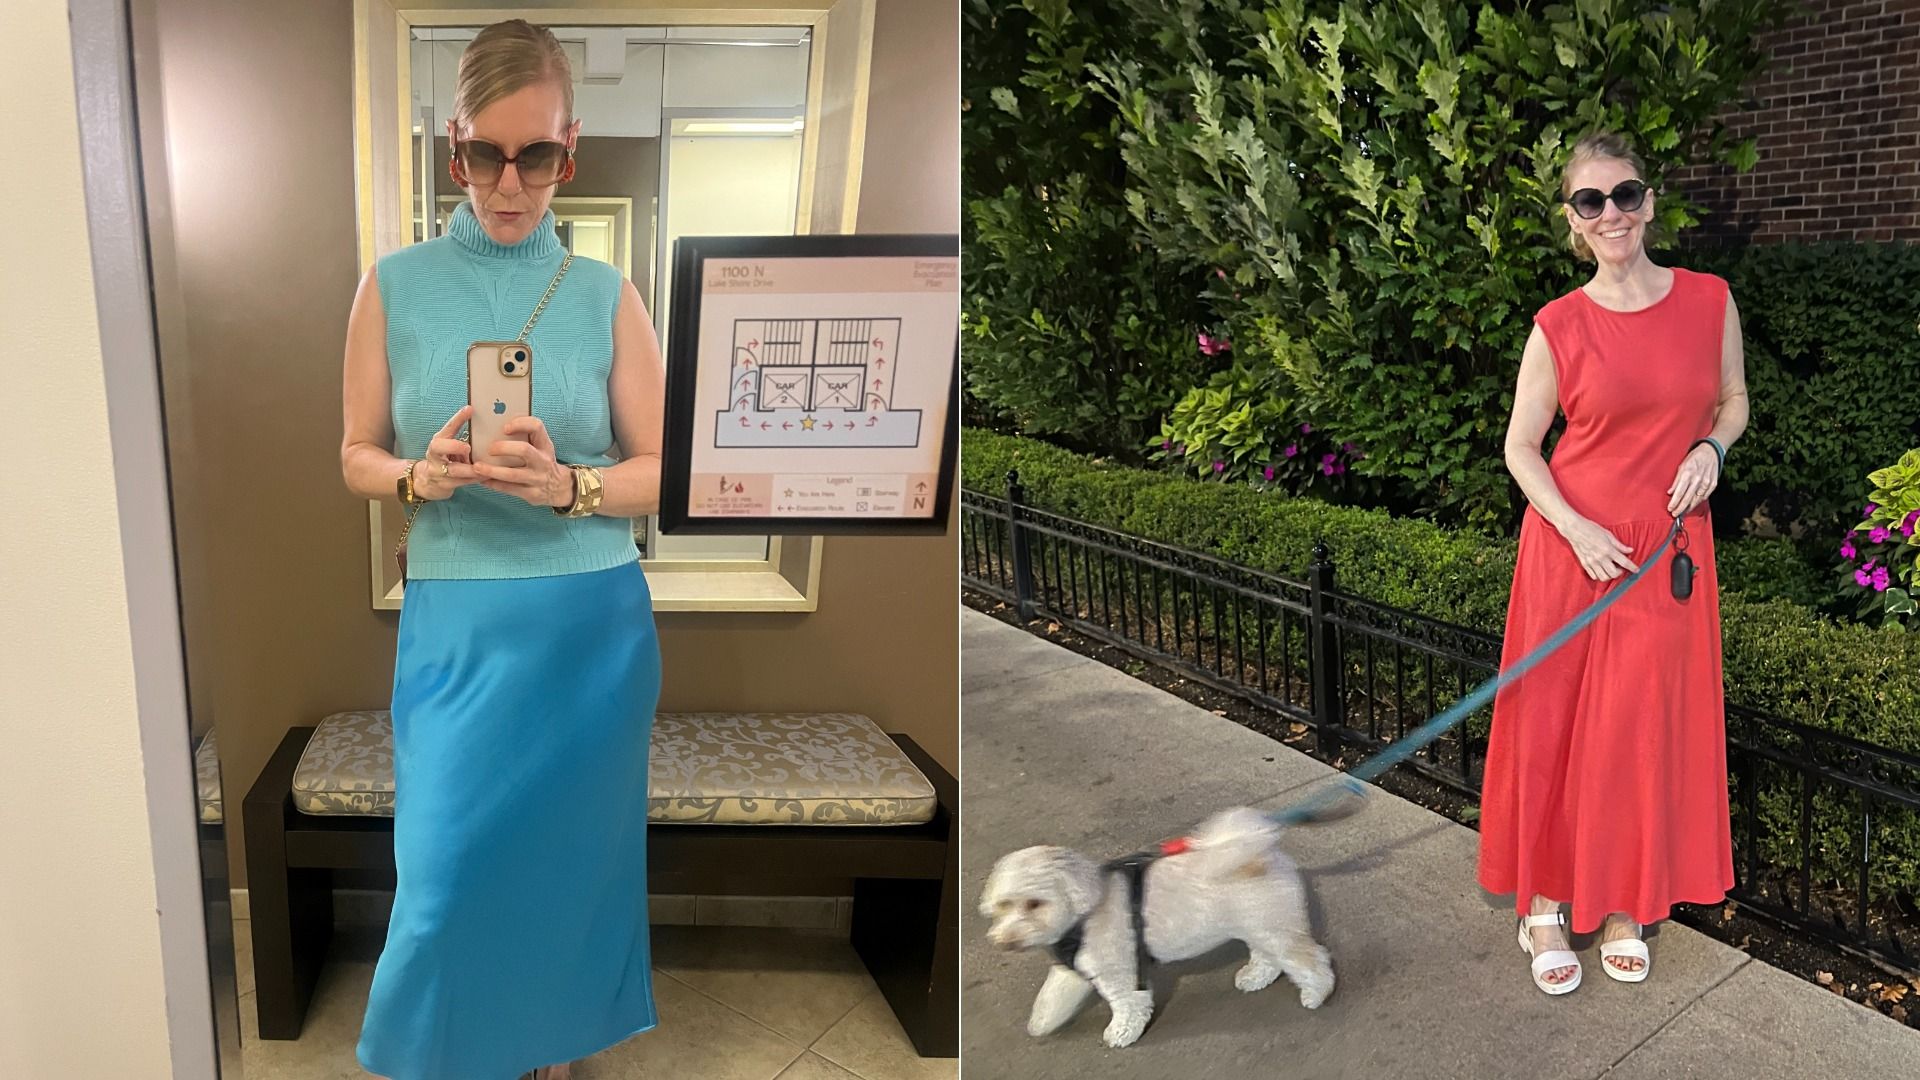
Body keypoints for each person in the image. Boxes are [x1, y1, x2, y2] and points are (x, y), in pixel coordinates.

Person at [338, 19, 666, 1078]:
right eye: (486, 153)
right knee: (442, 877)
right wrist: (416, 477)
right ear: (454, 146)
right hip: (458, 625)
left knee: (570, 872)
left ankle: (551, 1046)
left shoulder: (611, 296)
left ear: (572, 149)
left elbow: (667, 470)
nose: (510, 183)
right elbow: (353, 452)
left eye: (540, 157)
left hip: (589, 629)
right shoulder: (391, 285)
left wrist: (571, 485)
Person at [1476, 131, 1749, 996]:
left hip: (1669, 550)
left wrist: (1712, 446)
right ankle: (1546, 905)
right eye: (1590, 203)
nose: (1611, 215)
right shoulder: (1559, 325)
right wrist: (1575, 528)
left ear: (1649, 202)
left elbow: (1735, 400)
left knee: (1639, 730)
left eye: (1624, 195)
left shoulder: (1710, 300)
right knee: (1559, 724)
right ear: (1572, 221)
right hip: (1575, 552)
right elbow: (1522, 449)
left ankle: (1629, 904)